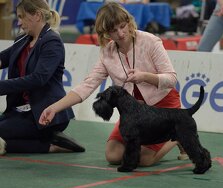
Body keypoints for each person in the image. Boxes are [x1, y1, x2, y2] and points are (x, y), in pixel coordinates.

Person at [39, 2, 187, 166]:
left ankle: (177, 133)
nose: (121, 33)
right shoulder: (107, 52)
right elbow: (86, 86)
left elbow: (171, 79)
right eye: (113, 30)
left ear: (129, 22)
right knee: (113, 156)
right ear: (106, 33)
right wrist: (54, 108)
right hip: (133, 112)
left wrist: (145, 76)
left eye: (123, 26)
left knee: (143, 159)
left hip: (162, 107)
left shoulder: (151, 41)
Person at [0, 0, 85, 155]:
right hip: (22, 111)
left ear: (37, 15)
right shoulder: (22, 39)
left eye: (21, 17)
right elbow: (3, 58)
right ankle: (48, 140)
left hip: (45, 113)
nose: (19, 22)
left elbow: (38, 78)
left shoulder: (52, 41)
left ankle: (51, 146)